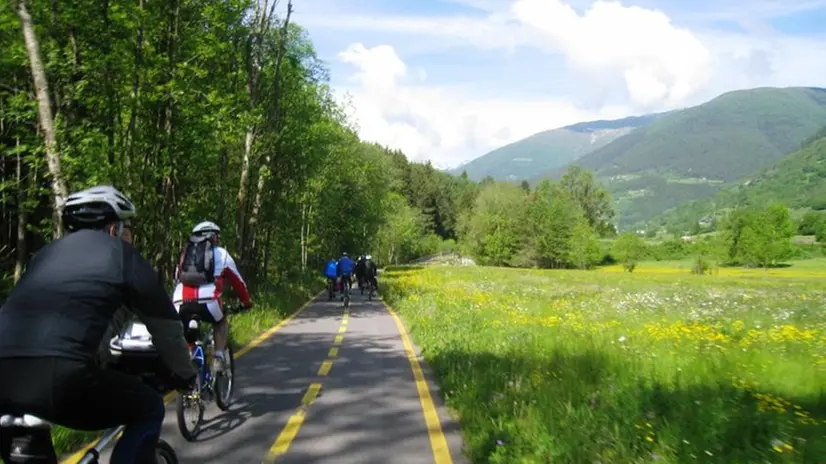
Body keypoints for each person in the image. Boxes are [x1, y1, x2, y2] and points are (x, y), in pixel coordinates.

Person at [0, 185, 197, 464]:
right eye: (125, 228)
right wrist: (185, 375)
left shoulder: (44, 256)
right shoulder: (122, 255)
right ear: (113, 228)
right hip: (61, 376)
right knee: (149, 408)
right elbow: (167, 329)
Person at [172, 221, 253, 374]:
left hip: (179, 301)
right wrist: (246, 302)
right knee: (220, 321)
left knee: (188, 337)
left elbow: (176, 277)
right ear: (214, 237)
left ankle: (187, 360)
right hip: (209, 301)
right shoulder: (221, 254)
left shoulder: (185, 253)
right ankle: (218, 357)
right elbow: (238, 282)